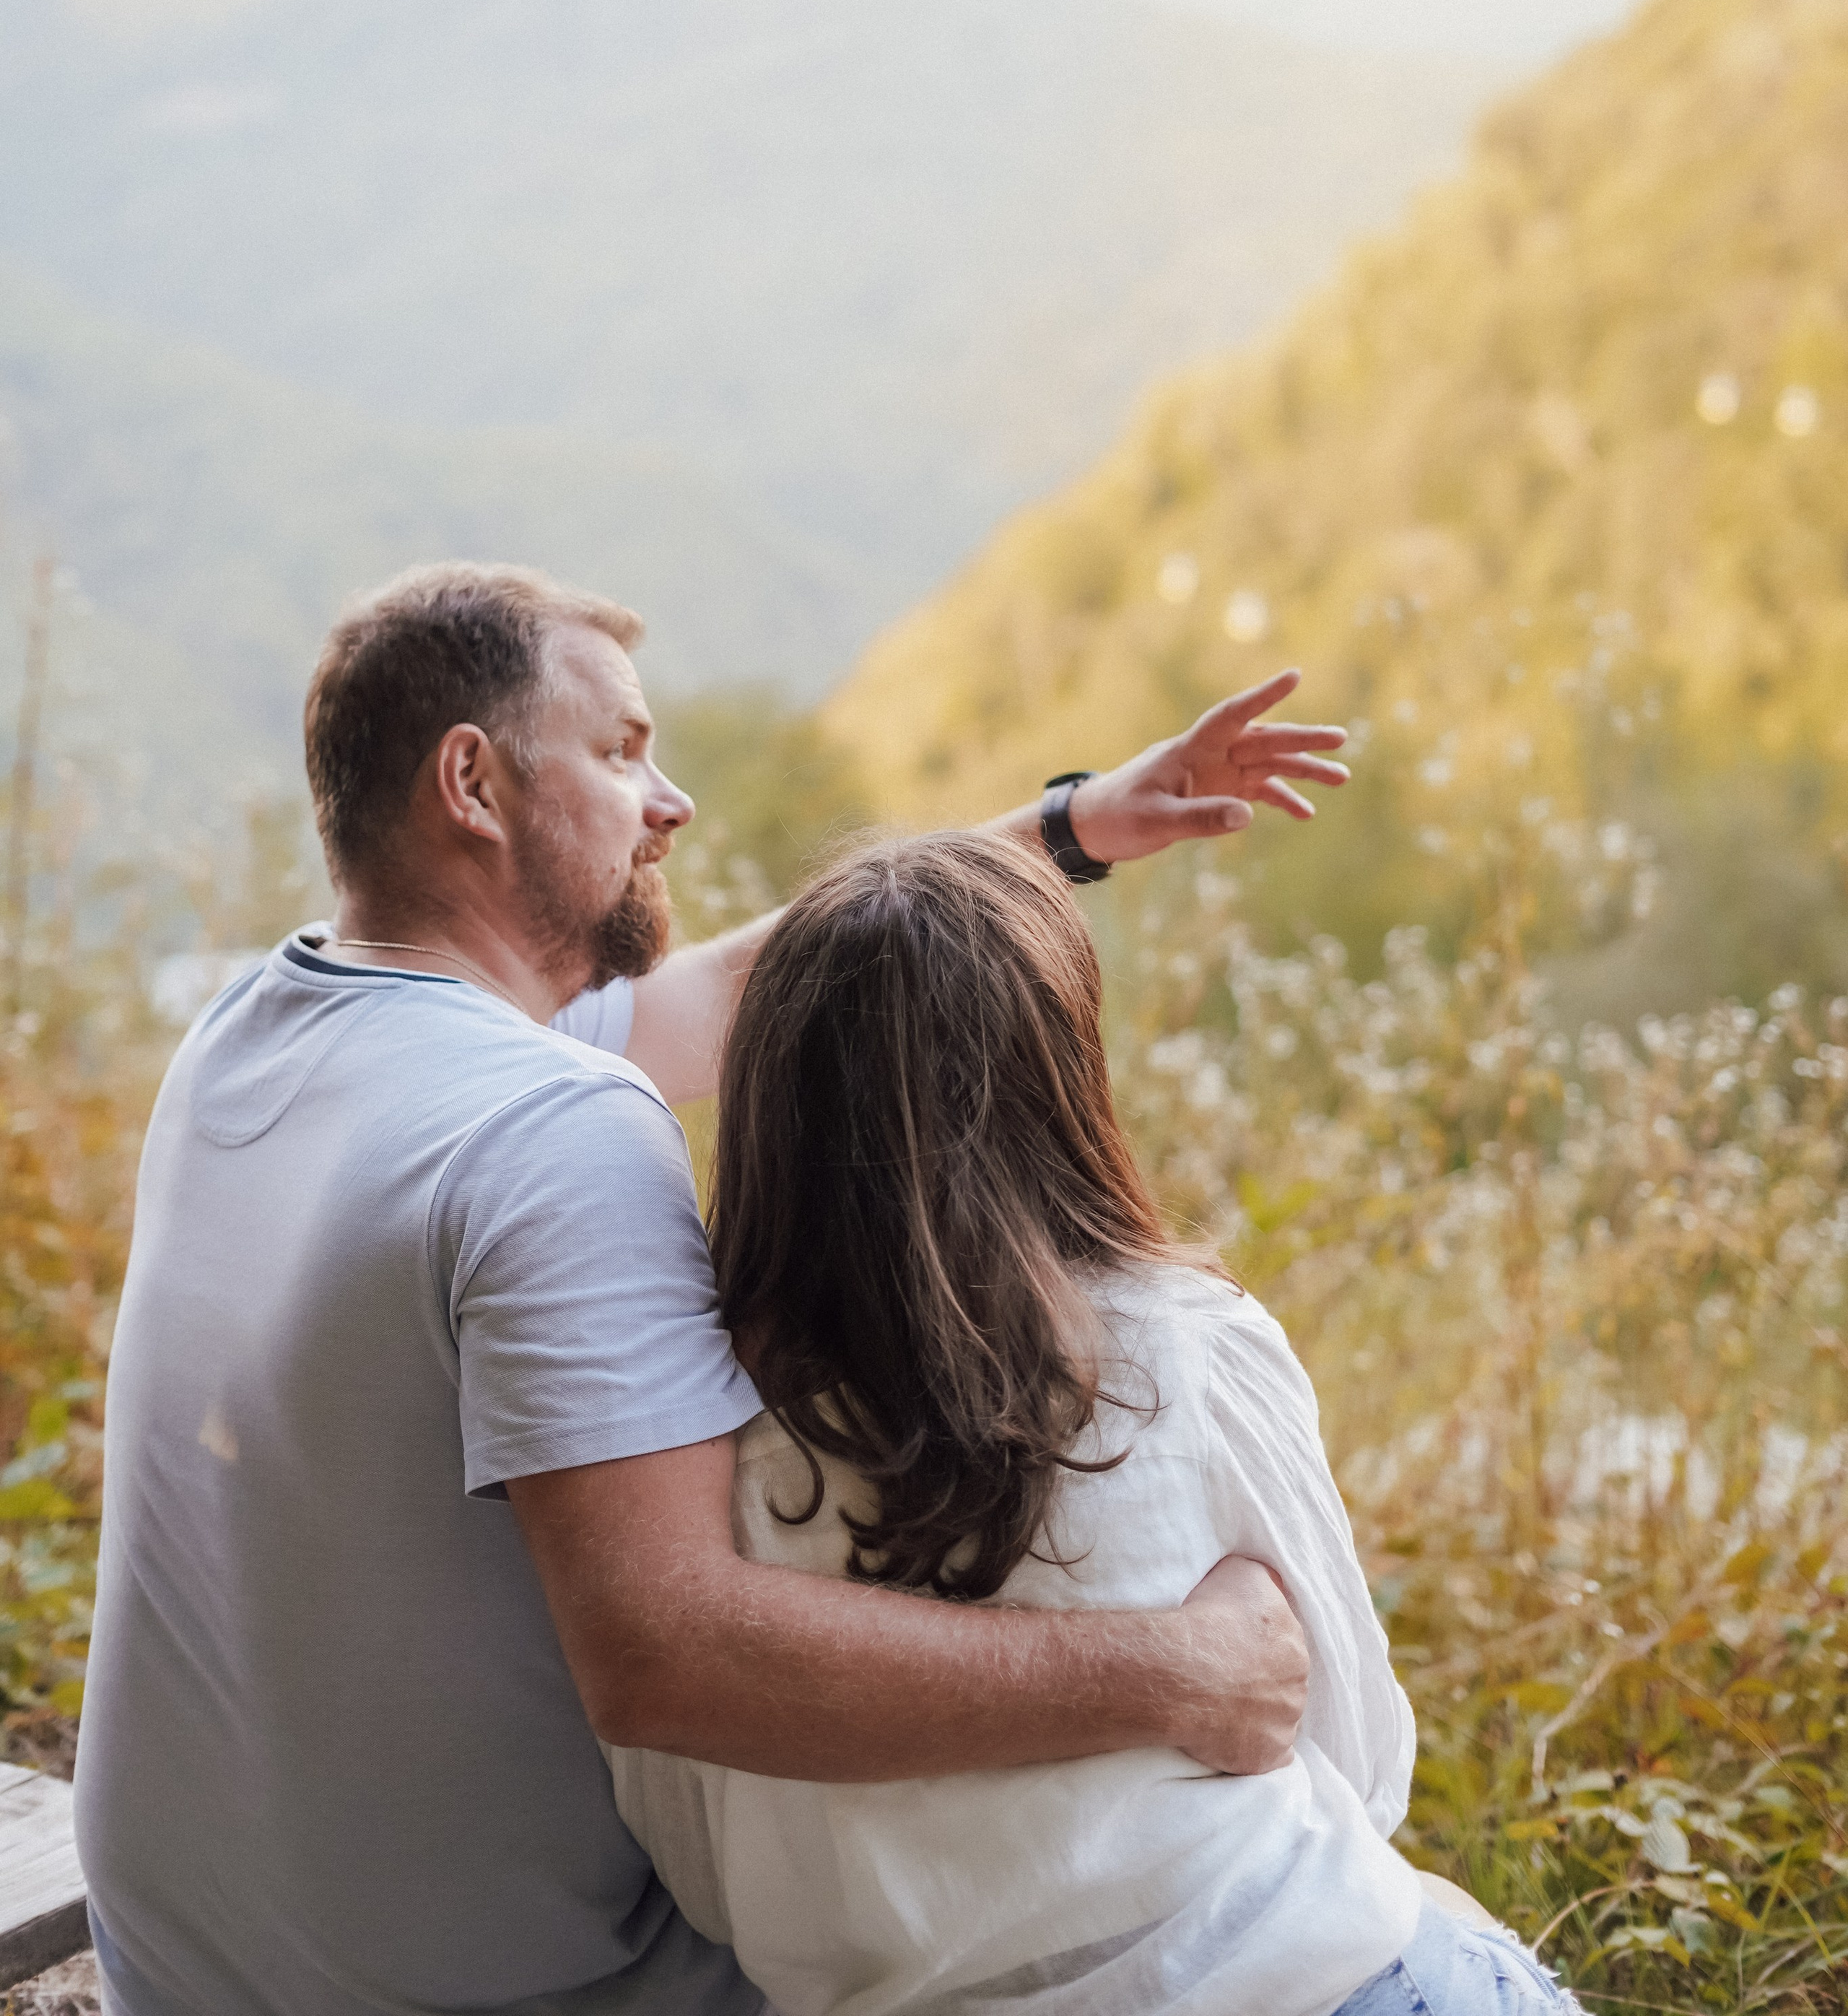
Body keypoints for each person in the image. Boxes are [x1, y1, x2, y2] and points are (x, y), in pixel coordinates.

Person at [76, 561, 1353, 2016]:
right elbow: (670, 1659)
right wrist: (1175, 1672)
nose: (669, 802)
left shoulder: (264, 1026)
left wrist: (1067, 830)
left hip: (191, 1968)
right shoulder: (552, 1132)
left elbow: (769, 983)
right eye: (621, 754)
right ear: (473, 785)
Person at [606, 830, 1583, 2016]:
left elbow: (701, 1870)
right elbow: (1359, 1759)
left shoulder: (684, 1456)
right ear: (1055, 1078)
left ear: (771, 1105)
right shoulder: (1186, 1345)